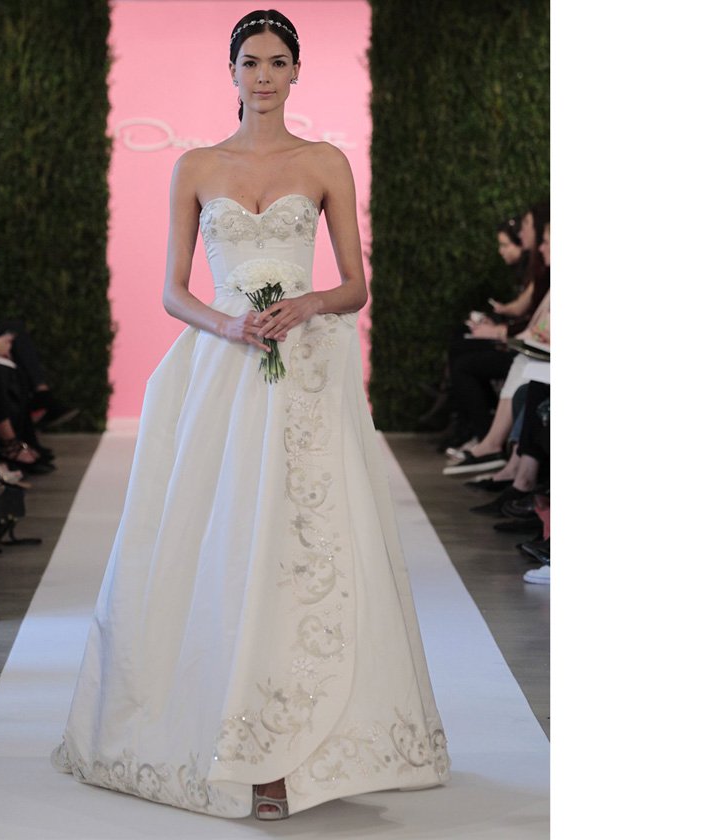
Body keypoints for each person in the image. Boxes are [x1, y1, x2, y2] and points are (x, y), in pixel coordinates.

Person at [52, 9, 449, 822]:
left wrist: (308, 303)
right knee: (227, 542)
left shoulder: (325, 161)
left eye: (276, 62)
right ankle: (229, 737)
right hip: (224, 369)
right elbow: (173, 291)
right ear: (231, 72)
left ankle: (303, 747)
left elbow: (355, 285)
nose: (263, 76)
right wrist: (229, 325)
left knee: (306, 546)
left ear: (296, 71)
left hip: (306, 373)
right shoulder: (196, 166)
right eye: (250, 62)